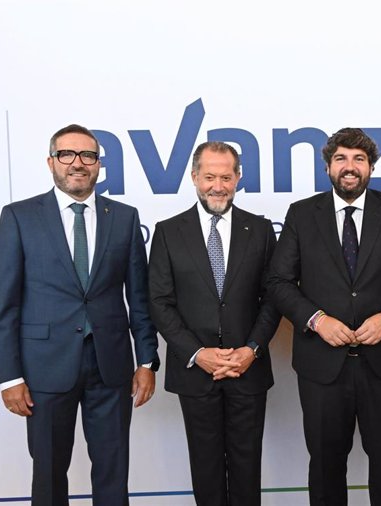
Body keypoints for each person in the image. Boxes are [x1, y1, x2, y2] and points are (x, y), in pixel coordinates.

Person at [0, 124, 159, 506]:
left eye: (88, 155)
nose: (78, 163)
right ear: (51, 162)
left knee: (113, 473)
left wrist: (147, 360)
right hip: (44, 370)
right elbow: (2, 304)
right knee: (49, 474)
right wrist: (8, 377)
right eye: (67, 154)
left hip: (111, 367)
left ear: (99, 165)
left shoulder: (125, 217)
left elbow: (139, 297)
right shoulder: (19, 217)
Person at [267, 127, 381, 506]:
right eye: (341, 159)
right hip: (323, 367)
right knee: (326, 466)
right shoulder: (301, 214)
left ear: (371, 167)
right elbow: (278, 282)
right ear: (328, 166)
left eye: (359, 159)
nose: (350, 167)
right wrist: (316, 320)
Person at [148, 141, 280, 506]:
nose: (217, 186)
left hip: (247, 370)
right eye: (209, 177)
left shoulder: (261, 230)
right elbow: (159, 302)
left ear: (238, 178)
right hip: (195, 371)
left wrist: (251, 349)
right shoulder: (168, 231)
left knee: (246, 467)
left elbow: (273, 298)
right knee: (205, 470)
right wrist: (196, 352)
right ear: (194, 177)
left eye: (225, 177)